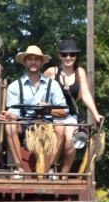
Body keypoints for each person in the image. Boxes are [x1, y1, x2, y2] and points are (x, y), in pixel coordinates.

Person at [0, 45, 68, 173]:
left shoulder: (52, 85)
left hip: (47, 124)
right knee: (9, 126)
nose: (33, 62)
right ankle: (19, 168)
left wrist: (48, 110)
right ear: (24, 62)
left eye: (36, 59)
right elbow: (14, 113)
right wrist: (9, 116)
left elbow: (64, 112)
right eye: (29, 59)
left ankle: (50, 169)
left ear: (41, 62)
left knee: (61, 126)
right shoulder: (14, 86)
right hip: (25, 123)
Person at [43, 39, 102, 175]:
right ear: (59, 56)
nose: (68, 58)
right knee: (60, 130)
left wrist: (95, 114)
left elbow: (86, 94)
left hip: (70, 115)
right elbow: (39, 89)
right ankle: (49, 170)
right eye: (65, 55)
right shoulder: (52, 72)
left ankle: (64, 175)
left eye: (72, 54)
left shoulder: (79, 72)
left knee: (71, 141)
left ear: (76, 56)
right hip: (53, 114)